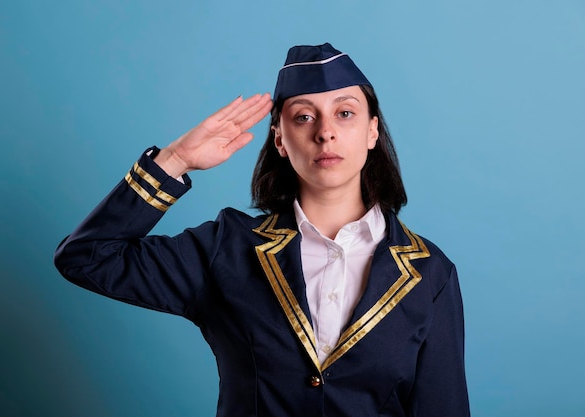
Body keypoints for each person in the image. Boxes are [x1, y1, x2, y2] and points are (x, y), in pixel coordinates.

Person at [55, 43, 470, 417]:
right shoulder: (227, 249)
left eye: (345, 113)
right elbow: (86, 256)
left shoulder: (429, 274)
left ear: (372, 131)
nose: (325, 131)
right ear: (280, 140)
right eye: (304, 117)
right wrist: (176, 159)